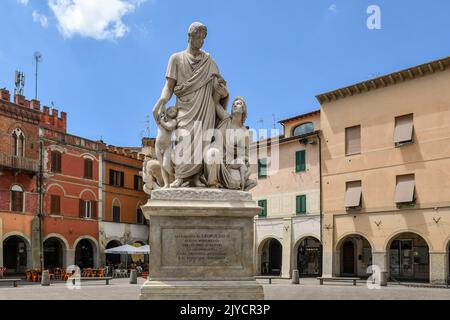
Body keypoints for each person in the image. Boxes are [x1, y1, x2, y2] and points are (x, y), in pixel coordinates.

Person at [152, 22, 228, 188]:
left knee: (202, 142)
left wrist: (221, 87)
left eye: (203, 38)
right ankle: (181, 177)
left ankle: (196, 178)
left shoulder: (208, 60)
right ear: (189, 37)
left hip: (205, 107)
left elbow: (218, 85)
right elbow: (169, 87)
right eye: (198, 37)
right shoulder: (176, 58)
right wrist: (161, 101)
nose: (201, 41)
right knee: (183, 140)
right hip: (185, 109)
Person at [205, 96, 256, 191]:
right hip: (214, 157)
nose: (235, 105)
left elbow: (244, 156)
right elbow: (215, 103)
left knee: (235, 182)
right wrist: (223, 93)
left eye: (238, 104)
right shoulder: (226, 118)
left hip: (230, 163)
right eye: (233, 104)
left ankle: (241, 182)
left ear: (243, 109)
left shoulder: (245, 132)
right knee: (213, 153)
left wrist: (238, 164)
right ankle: (213, 185)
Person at [154, 105, 178, 188]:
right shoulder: (161, 119)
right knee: (162, 166)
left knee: (165, 165)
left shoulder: (174, 121)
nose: (172, 110)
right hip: (158, 146)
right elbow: (154, 111)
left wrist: (162, 122)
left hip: (168, 146)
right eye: (171, 109)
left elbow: (169, 127)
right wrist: (162, 101)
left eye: (175, 111)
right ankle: (166, 184)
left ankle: (176, 177)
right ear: (167, 110)